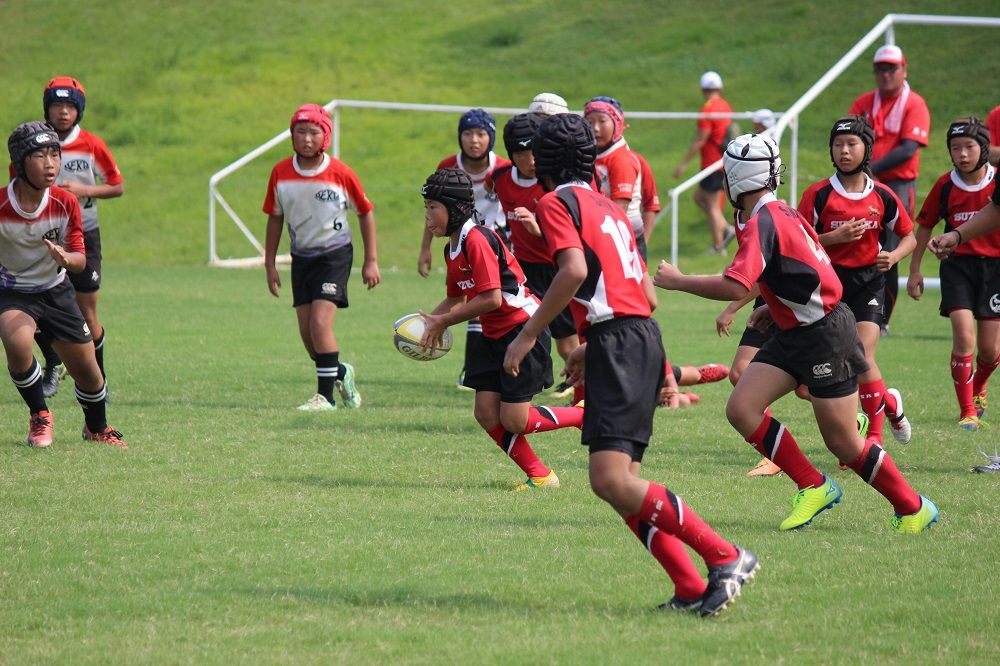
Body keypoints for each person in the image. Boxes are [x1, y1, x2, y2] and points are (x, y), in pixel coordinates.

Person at [504, 113, 758, 617]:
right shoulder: (609, 207)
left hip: (620, 342)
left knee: (610, 480)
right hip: (632, 335)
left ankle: (726, 556)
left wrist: (529, 333)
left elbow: (573, 271)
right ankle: (689, 586)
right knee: (622, 486)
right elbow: (645, 296)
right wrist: (591, 346)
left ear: (544, 161)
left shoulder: (556, 202)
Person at [654, 133, 938, 535]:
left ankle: (913, 508)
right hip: (795, 331)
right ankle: (813, 485)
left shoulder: (764, 221)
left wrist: (679, 280)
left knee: (843, 443)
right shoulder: (776, 212)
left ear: (737, 177)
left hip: (822, 335)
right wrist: (776, 305)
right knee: (742, 408)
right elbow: (804, 265)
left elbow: (735, 285)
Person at [419, 168, 582, 490]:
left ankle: (581, 416)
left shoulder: (477, 239)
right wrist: (426, 324)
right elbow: (455, 298)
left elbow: (492, 298)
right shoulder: (451, 248)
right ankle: (540, 475)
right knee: (485, 412)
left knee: (515, 420)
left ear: (455, 208)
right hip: (492, 333)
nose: (427, 216)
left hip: (521, 330)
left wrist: (444, 321)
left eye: (433, 207)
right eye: (425, 207)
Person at [2, 121, 126, 448]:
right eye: (40, 155)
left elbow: (80, 259)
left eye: (54, 154)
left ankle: (97, 428)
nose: (50, 164)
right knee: (17, 343)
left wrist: (66, 259)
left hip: (56, 291)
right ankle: (40, 415)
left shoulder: (65, 202)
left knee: (89, 373)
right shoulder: (2, 205)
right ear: (19, 162)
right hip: (14, 293)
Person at [798, 116, 914, 448]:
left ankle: (873, 437)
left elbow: (909, 236)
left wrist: (893, 256)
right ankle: (889, 402)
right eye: (838, 144)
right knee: (826, 371)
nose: (844, 151)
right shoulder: (818, 194)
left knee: (861, 356)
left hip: (869, 283)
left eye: (851, 144)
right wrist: (832, 238)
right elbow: (797, 242)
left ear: (867, 149)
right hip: (828, 286)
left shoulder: (883, 195)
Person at [263, 104, 379, 411]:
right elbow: (275, 217)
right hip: (301, 258)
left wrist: (371, 260)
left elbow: (365, 212)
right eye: (300, 132)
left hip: (334, 256)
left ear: (325, 136)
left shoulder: (341, 173)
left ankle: (325, 398)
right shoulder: (280, 173)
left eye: (314, 132)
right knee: (308, 336)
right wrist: (269, 263)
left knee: (319, 324)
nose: (306, 139)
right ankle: (340, 372)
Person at [33, 77, 124, 398]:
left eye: (69, 106)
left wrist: (83, 190)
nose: (62, 112)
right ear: (47, 108)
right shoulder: (32, 143)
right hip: (43, 235)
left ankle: (98, 379)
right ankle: (53, 364)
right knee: (35, 307)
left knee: (87, 312)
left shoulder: (91, 145)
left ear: (79, 110)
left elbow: (117, 186)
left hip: (84, 234)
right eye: (57, 105)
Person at [908, 117, 998, 434]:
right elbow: (925, 225)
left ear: (984, 148)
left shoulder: (996, 181)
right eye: (955, 148)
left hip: (995, 269)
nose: (962, 154)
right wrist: (915, 270)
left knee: (991, 350)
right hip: (957, 266)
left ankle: (979, 385)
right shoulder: (946, 185)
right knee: (963, 334)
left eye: (969, 147)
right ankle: (967, 410)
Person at [417, 109, 511, 390]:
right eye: (468, 133)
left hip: (494, 242)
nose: (474, 140)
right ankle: (475, 369)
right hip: (459, 237)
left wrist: (443, 321)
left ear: (491, 137)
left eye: (481, 133)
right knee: (473, 299)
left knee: (486, 300)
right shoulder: (448, 166)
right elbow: (434, 210)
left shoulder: (503, 169)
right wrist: (425, 249)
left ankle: (479, 367)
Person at [489, 113, 579, 400]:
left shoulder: (553, 184)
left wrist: (539, 230)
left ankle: (581, 387)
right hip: (522, 270)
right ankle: (526, 381)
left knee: (565, 341)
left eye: (534, 153)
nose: (530, 161)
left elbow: (574, 233)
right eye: (521, 154)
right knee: (521, 328)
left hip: (557, 267)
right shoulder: (500, 179)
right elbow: (491, 195)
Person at [849, 45, 931, 335]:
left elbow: (908, 149)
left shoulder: (914, 104)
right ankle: (852, 311)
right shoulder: (863, 102)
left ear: (904, 70)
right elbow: (849, 138)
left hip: (896, 185)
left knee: (890, 251)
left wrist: (870, 167)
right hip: (863, 183)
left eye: (891, 68)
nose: (885, 74)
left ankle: (881, 318)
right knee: (858, 245)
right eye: (880, 69)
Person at [673, 71, 734, 255]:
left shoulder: (707, 110)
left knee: (712, 206)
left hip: (712, 163)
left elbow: (701, 139)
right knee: (699, 197)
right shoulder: (725, 105)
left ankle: (718, 247)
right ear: (720, 88)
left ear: (702, 89)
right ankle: (726, 229)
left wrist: (683, 164)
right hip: (723, 160)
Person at [583, 97, 648, 259]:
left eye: (602, 121)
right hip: (605, 232)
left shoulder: (621, 160)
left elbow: (619, 209)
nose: (595, 128)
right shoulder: (593, 154)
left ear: (617, 124)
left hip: (621, 238)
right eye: (589, 122)